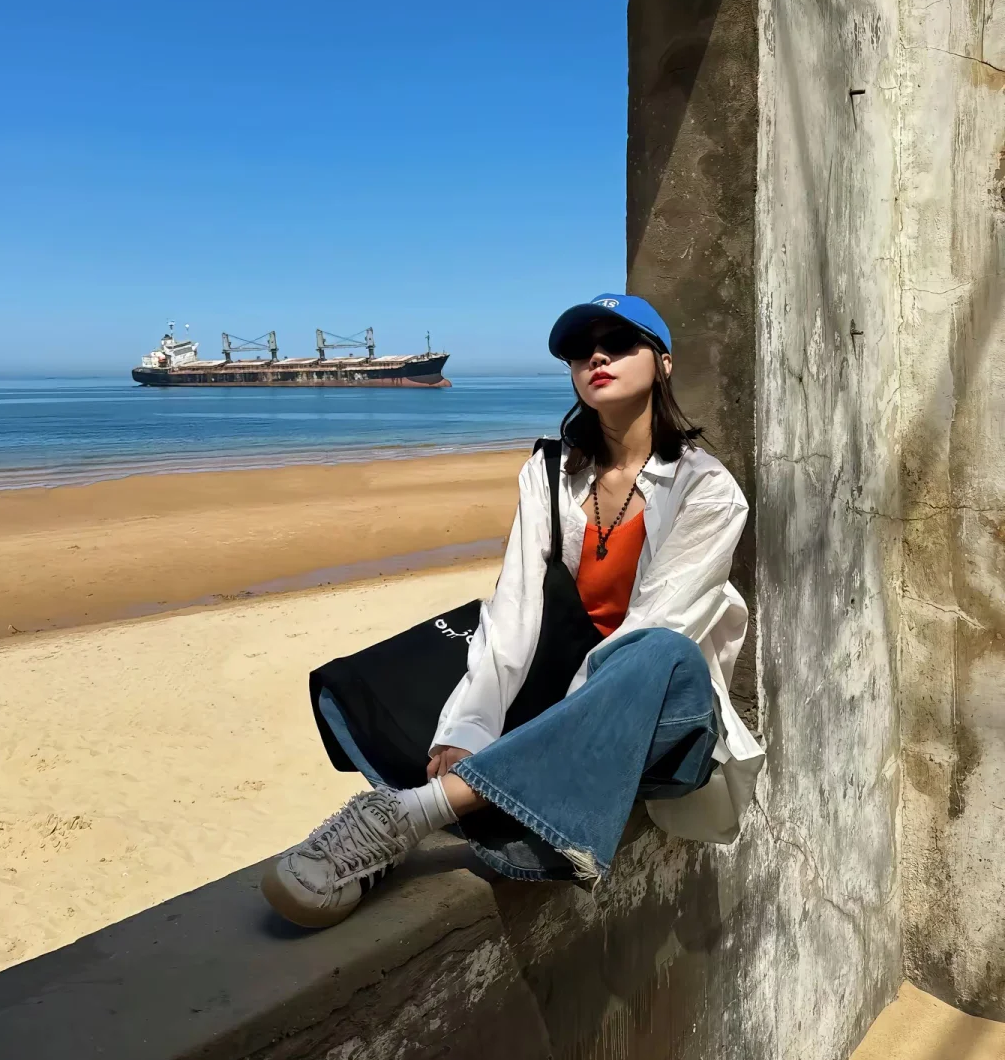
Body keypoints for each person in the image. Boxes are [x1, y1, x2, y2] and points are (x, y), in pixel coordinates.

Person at [261, 292, 765, 929]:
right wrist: (469, 729)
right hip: (558, 688)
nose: (597, 357)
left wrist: (544, 727)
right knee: (428, 672)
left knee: (660, 651)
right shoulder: (550, 471)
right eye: (580, 350)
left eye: (618, 342)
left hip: (660, 712)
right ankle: (433, 816)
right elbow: (517, 607)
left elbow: (656, 624)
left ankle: (408, 815)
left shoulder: (708, 490)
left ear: (663, 362)